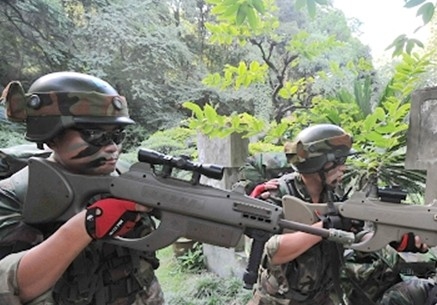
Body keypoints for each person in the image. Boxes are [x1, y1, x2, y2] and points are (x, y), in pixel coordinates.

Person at [0, 71, 165, 305]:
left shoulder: (129, 177)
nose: (112, 147)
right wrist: (85, 226)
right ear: (52, 136)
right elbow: (11, 287)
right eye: (95, 134)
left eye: (117, 135)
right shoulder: (13, 195)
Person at [246, 123, 359, 305]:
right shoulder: (278, 193)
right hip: (277, 301)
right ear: (319, 163)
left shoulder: (334, 196)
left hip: (321, 298)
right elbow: (273, 252)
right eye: (338, 162)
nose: (343, 168)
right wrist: (325, 227)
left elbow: (358, 235)